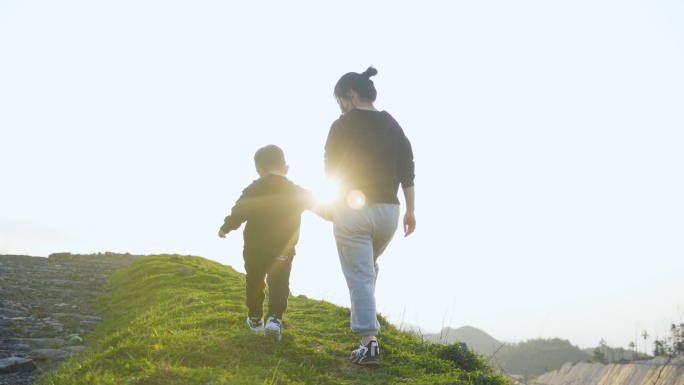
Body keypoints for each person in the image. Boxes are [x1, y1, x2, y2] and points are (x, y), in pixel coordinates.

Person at [325, 66, 416, 365]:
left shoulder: (341, 126)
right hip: (390, 212)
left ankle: (369, 342)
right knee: (366, 269)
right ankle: (367, 327)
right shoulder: (394, 125)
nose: (340, 107)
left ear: (350, 94)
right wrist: (411, 211)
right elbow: (407, 172)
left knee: (361, 275)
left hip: (353, 209)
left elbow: (330, 171)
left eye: (340, 100)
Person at [218, 144, 316, 341]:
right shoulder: (297, 191)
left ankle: (255, 318)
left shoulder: (253, 188)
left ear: (259, 171)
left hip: (254, 246)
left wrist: (225, 228)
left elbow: (239, 211)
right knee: (279, 281)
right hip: (283, 246)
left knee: (255, 280)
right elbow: (321, 206)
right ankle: (274, 319)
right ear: (286, 168)